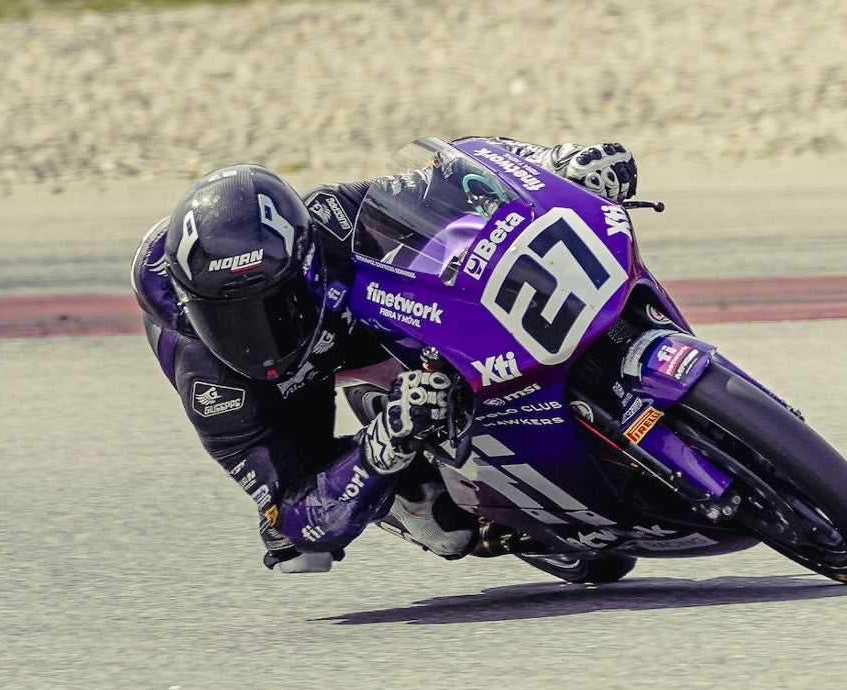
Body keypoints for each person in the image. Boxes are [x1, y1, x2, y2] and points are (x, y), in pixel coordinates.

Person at [130, 138, 638, 573]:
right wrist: (387, 440)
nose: (255, 335)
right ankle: (436, 485)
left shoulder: (327, 218)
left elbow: (454, 173)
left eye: (271, 306)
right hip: (283, 404)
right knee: (431, 532)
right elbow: (299, 516)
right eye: (229, 318)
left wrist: (553, 161)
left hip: (355, 324)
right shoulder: (211, 384)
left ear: (303, 259)